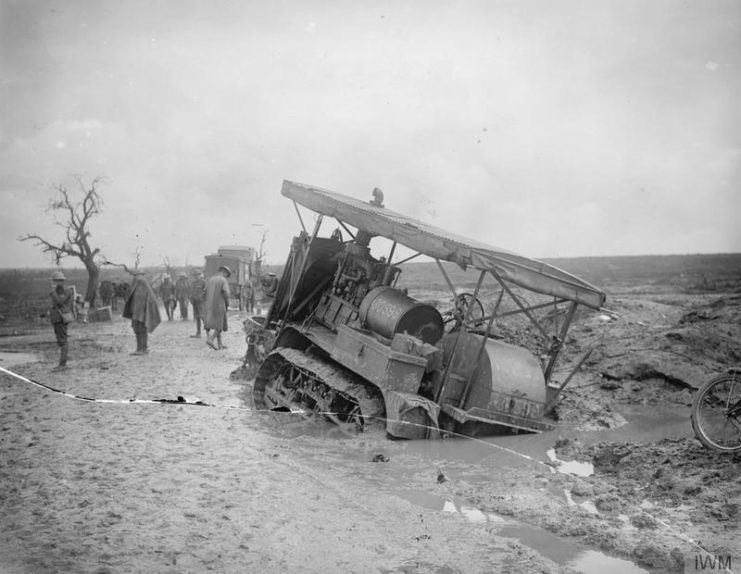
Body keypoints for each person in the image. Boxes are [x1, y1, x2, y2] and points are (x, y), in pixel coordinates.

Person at [123, 270, 162, 355]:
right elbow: (134, 298)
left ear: (141, 275)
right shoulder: (137, 284)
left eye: (136, 276)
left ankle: (143, 348)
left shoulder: (143, 283)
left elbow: (148, 299)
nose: (135, 277)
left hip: (142, 312)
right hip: (136, 312)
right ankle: (139, 348)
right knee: (137, 329)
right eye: (135, 276)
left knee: (141, 329)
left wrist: (144, 311)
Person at [49, 270, 75, 371]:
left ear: (61, 281)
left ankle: (63, 364)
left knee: (63, 341)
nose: (53, 284)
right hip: (57, 319)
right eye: (53, 281)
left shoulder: (66, 292)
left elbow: (59, 302)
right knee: (61, 341)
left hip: (61, 319)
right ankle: (62, 362)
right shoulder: (58, 292)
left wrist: (52, 292)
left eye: (55, 281)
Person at [204, 265, 231, 350]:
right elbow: (226, 293)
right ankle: (211, 339)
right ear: (224, 272)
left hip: (209, 305)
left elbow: (205, 292)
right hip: (219, 304)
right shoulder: (223, 280)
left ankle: (220, 344)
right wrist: (227, 302)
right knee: (220, 324)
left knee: (216, 323)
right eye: (227, 275)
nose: (226, 276)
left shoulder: (210, 279)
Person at [188, 269, 207, 338]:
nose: (196, 277)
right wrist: (190, 298)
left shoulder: (203, 282)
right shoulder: (193, 283)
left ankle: (208, 332)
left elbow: (206, 292)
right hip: (195, 302)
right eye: (195, 275)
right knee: (197, 317)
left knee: (202, 316)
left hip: (201, 302)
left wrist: (203, 298)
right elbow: (190, 292)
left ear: (200, 275)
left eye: (197, 275)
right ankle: (198, 333)